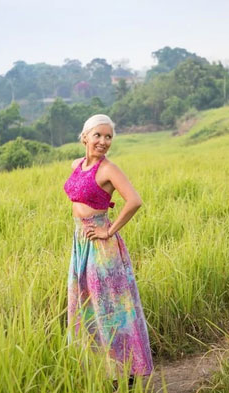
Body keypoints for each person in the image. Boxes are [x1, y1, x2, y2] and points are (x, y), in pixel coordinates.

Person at [63, 114, 153, 388]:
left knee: (110, 307)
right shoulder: (76, 165)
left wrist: (109, 229)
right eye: (98, 135)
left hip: (102, 247)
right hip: (81, 245)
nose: (103, 141)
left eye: (109, 137)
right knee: (86, 306)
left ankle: (125, 374)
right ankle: (99, 369)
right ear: (85, 137)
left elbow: (134, 201)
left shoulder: (109, 170)